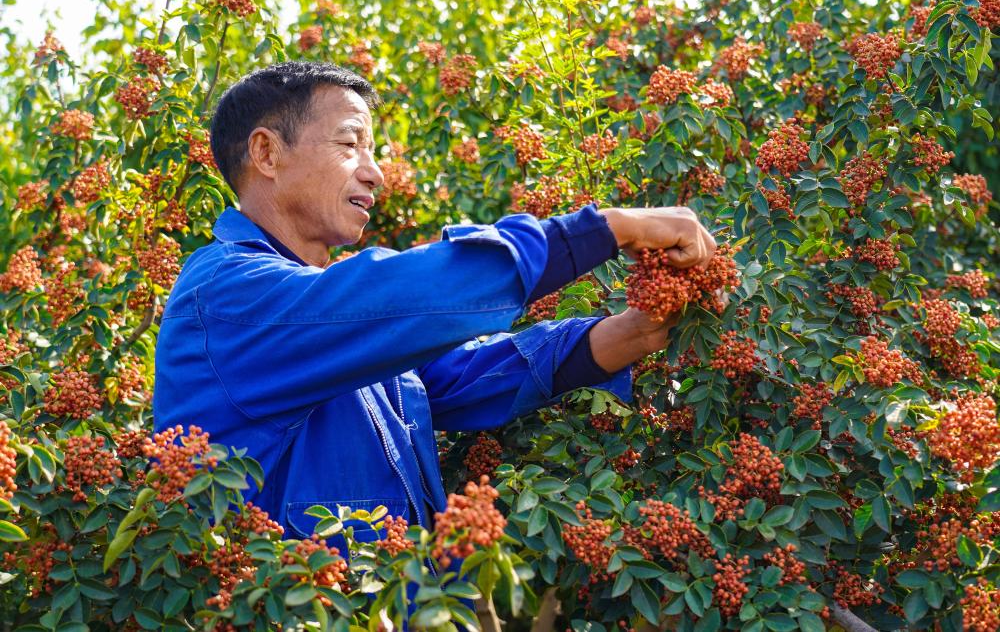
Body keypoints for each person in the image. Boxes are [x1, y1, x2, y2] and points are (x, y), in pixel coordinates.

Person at [151, 61, 717, 553]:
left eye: (373, 151)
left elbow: (459, 375)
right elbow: (407, 294)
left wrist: (629, 333)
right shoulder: (228, 294)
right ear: (267, 152)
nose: (374, 172)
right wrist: (607, 229)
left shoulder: (333, 324)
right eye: (350, 144)